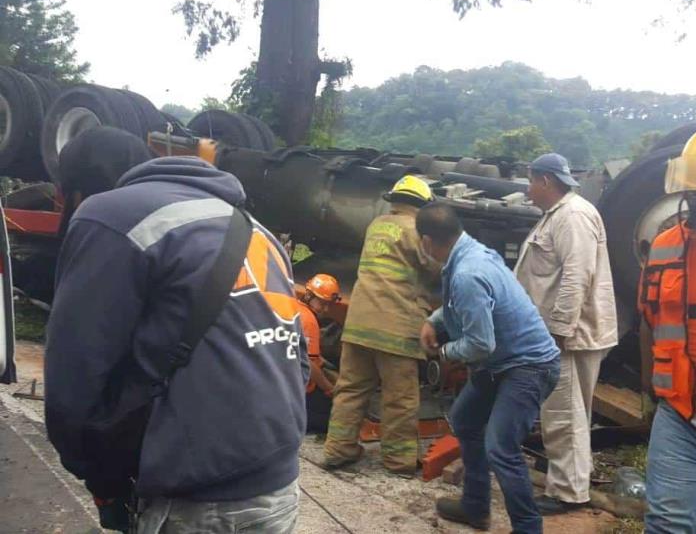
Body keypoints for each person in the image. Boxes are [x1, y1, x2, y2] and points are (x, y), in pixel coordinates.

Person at [45, 155, 309, 533]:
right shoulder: (258, 231)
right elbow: (298, 358)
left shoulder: (112, 214)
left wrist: (98, 474)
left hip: (192, 500)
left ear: (73, 190)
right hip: (278, 483)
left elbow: (75, 372)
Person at [418, 203, 560, 533]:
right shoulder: (471, 252)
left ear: (426, 241)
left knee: (501, 447)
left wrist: (443, 352)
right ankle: (476, 507)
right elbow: (467, 304)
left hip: (529, 366)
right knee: (466, 420)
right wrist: (433, 320)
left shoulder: (468, 271)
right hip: (501, 364)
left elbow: (481, 344)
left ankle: (528, 528)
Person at [639, 119, 696, 533]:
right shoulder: (665, 246)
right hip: (683, 422)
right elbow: (654, 322)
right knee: (670, 526)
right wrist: (653, 393)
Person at [513, 152, 618, 514]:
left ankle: (569, 493)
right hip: (565, 333)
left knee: (564, 413)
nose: (528, 190)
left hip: (568, 337)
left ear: (546, 180)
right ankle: (576, 476)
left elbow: (577, 277)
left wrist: (558, 331)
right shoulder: (560, 215)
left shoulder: (572, 216)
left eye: (530, 182)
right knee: (570, 411)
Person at [323, 175, 439, 474]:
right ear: (423, 205)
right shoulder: (419, 231)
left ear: (395, 200)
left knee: (350, 389)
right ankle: (399, 461)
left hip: (359, 322)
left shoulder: (376, 225)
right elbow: (436, 268)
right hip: (395, 326)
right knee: (399, 397)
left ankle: (338, 450)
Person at [299, 273, 342, 433]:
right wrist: (329, 388)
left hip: (284, 385)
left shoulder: (294, 307)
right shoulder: (309, 320)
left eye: (328, 305)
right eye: (322, 304)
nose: (326, 309)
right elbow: (308, 364)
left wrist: (323, 363)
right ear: (309, 296)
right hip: (301, 394)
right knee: (332, 418)